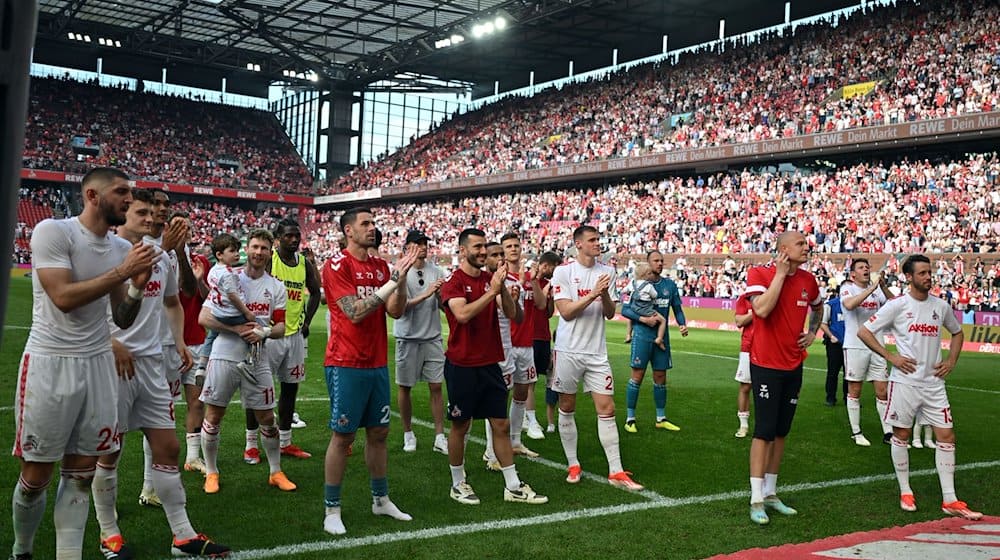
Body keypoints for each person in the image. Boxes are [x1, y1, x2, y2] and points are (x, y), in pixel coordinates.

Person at [10, 167, 155, 560]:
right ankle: (22, 549)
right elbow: (63, 297)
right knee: (36, 477)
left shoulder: (122, 249)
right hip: (51, 362)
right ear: (93, 195)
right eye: (122, 191)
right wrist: (123, 273)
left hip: (97, 367)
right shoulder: (54, 232)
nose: (129, 199)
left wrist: (137, 286)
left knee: (80, 474)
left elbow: (121, 318)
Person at [90, 188, 227, 558]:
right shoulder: (105, 252)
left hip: (153, 364)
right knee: (109, 452)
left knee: (168, 447)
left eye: (154, 213)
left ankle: (183, 537)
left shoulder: (162, 257)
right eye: (141, 212)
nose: (151, 218)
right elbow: (84, 307)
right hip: (115, 364)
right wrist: (109, 341)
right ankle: (109, 534)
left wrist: (179, 340)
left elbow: (171, 301)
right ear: (124, 213)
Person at [857, 254, 982, 520]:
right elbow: (865, 331)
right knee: (901, 434)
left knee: (946, 436)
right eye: (923, 273)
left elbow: (957, 332)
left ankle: (950, 499)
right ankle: (905, 490)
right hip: (905, 383)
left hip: (934, 384)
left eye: (929, 272)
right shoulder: (898, 305)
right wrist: (890, 357)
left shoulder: (941, 306)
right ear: (909, 277)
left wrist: (951, 360)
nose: (928, 277)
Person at [321, 207, 417, 535]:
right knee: (343, 435)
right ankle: (331, 508)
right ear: (349, 230)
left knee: (379, 433)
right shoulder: (337, 265)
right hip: (346, 362)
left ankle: (380, 499)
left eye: (374, 223)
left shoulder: (379, 267)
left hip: (376, 362)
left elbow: (396, 311)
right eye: (365, 223)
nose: (372, 228)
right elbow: (356, 313)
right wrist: (391, 282)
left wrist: (400, 283)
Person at [439, 228, 548, 506]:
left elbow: (516, 316)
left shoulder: (491, 279)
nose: (482, 252)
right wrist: (493, 292)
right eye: (476, 247)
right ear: (462, 250)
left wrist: (508, 293)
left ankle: (512, 485)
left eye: (484, 247)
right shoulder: (454, 281)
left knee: (500, 423)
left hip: (490, 363)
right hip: (462, 364)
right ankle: (456, 483)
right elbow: (462, 314)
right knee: (461, 426)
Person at [198, 229, 297, 496]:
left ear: (270, 252)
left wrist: (263, 332)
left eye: (264, 248)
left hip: (258, 357)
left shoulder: (275, 286)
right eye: (255, 247)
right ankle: (211, 471)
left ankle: (275, 472)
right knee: (214, 414)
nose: (259, 252)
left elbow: (280, 327)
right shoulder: (228, 276)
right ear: (246, 249)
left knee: (266, 416)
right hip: (224, 354)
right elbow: (204, 318)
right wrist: (237, 330)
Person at [552, 225, 643, 490]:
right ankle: (573, 463)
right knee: (567, 407)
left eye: (598, 239)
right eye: (592, 240)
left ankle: (616, 471)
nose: (597, 243)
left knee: (607, 408)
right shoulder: (564, 271)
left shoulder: (607, 272)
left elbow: (609, 313)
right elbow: (566, 312)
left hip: (596, 352)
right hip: (568, 350)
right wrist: (592, 294)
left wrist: (603, 294)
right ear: (578, 244)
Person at [743, 231, 823, 525]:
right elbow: (761, 310)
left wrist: (813, 332)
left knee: (781, 431)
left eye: (806, 243)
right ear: (783, 249)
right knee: (763, 430)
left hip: (793, 364)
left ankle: (772, 492)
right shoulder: (760, 272)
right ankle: (756, 498)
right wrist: (779, 275)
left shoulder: (808, 280)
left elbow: (818, 306)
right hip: (765, 364)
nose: (806, 247)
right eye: (800, 243)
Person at [244, 218, 320, 463]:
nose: (294, 239)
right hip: (269, 335)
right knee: (258, 389)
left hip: (294, 336)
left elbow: (316, 291)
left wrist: (307, 321)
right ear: (277, 239)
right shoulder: (269, 260)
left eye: (296, 235)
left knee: (290, 388)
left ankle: (286, 442)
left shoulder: (304, 263)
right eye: (288, 235)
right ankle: (251, 444)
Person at [138, 192, 195, 508]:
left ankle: (151, 487)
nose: (161, 212)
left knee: (162, 420)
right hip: (131, 348)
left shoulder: (171, 252)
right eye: (153, 206)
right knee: (113, 430)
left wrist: (180, 249)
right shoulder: (130, 243)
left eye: (165, 206)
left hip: (165, 346)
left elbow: (183, 294)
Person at [393, 230, 448, 455]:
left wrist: (440, 297)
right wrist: (426, 294)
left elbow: (445, 306)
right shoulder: (398, 271)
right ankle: (408, 433)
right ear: (407, 248)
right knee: (405, 387)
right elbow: (398, 308)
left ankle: (439, 435)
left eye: (425, 243)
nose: (423, 247)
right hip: (407, 337)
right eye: (417, 243)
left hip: (432, 336)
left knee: (436, 386)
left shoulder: (437, 270)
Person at [620, 251, 688, 433]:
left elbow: (677, 309)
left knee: (660, 377)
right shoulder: (639, 284)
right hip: (642, 336)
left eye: (661, 261)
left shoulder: (669, 285)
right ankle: (630, 419)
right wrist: (643, 320)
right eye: (656, 261)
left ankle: (661, 418)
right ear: (648, 264)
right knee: (637, 376)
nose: (659, 263)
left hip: (661, 339)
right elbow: (625, 310)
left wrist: (682, 324)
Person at [481, 241, 530, 470]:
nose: (500, 257)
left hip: (505, 350)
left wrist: (512, 297)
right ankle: (490, 453)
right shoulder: (478, 282)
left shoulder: (513, 283)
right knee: (476, 408)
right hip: (481, 352)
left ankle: (495, 451)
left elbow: (517, 317)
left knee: (500, 402)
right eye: (494, 254)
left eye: (502, 254)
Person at [840, 258, 894, 446]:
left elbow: (894, 303)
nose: (866, 270)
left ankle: (888, 431)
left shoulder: (876, 290)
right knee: (855, 389)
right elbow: (849, 305)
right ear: (853, 274)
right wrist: (871, 289)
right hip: (855, 345)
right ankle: (857, 431)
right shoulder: (847, 288)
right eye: (861, 268)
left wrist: (883, 286)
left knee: (882, 390)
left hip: (877, 345)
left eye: (867, 267)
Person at [175, 215, 211, 475]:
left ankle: (192, 457)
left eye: (186, 227)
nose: (183, 230)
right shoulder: (160, 259)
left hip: (197, 341)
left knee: (197, 401)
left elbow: (209, 300)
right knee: (159, 406)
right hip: (167, 343)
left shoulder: (202, 262)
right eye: (177, 225)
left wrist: (199, 279)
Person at [195, 234, 257, 383]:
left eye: (237, 250)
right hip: (231, 314)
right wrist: (246, 312)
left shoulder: (214, 270)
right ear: (219, 255)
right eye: (232, 251)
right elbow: (233, 297)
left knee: (211, 335)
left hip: (218, 312)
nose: (237, 254)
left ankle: (201, 366)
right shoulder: (228, 274)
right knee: (256, 331)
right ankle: (248, 361)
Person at [502, 234, 546, 443]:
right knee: (502, 394)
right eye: (509, 246)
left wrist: (534, 280)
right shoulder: (500, 278)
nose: (513, 249)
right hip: (505, 343)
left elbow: (541, 304)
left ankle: (515, 440)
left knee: (521, 393)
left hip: (526, 343)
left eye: (516, 246)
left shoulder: (530, 277)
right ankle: (494, 447)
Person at [528, 252, 562, 433]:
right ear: (546, 265)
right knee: (529, 380)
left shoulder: (549, 286)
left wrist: (551, 297)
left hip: (543, 336)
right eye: (554, 268)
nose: (555, 272)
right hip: (531, 336)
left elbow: (548, 313)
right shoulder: (529, 281)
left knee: (542, 376)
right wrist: (545, 289)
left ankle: (534, 417)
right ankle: (529, 418)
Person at [628, 262, 669, 350]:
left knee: (631, 318)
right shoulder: (648, 286)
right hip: (645, 308)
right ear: (645, 275)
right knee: (662, 320)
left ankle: (628, 334)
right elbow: (655, 295)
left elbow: (625, 290)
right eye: (650, 273)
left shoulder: (632, 283)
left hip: (635, 307)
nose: (651, 275)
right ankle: (659, 339)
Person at [819, 293, 848, 407]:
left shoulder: (856, 304)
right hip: (835, 344)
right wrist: (831, 336)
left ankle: (849, 398)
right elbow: (823, 323)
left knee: (850, 373)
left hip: (850, 344)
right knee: (833, 372)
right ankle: (830, 398)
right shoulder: (831, 305)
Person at [733, 293, 753, 438]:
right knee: (745, 386)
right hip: (749, 346)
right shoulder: (745, 298)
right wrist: (757, 311)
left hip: (770, 346)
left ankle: (766, 424)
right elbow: (739, 321)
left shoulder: (775, 294)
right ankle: (743, 425)